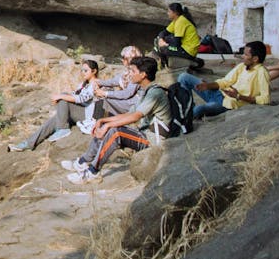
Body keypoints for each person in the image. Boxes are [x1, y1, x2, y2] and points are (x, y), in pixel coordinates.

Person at [61, 56, 166, 184]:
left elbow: (135, 117)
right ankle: (83, 162)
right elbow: (130, 113)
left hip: (153, 140)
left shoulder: (154, 93)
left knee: (116, 132)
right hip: (144, 134)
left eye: (133, 71)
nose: (130, 75)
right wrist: (103, 122)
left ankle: (93, 172)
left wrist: (108, 125)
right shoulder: (146, 91)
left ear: (143, 74)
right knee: (107, 127)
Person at [9, 60, 104, 151]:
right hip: (79, 112)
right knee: (53, 120)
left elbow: (81, 99)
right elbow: (74, 95)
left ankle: (63, 129)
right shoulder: (83, 84)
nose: (83, 72)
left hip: (87, 116)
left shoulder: (96, 83)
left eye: (86, 70)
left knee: (63, 98)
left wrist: (60, 97)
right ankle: (29, 143)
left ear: (94, 71)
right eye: (82, 70)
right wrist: (60, 97)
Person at [176, 41, 271, 119]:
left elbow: (265, 99)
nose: (242, 56)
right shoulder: (242, 66)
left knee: (198, 110)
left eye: (246, 54)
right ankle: (187, 108)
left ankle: (188, 114)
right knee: (183, 77)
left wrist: (239, 96)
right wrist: (208, 86)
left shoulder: (262, 72)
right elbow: (225, 82)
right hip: (218, 93)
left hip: (226, 104)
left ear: (255, 59)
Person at [94, 46, 144, 116]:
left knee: (104, 100)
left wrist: (105, 93)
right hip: (129, 101)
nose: (122, 60)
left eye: (124, 58)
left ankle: (96, 123)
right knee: (106, 96)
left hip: (136, 104)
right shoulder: (128, 72)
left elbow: (127, 93)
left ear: (130, 59)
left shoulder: (137, 72)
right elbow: (114, 81)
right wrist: (99, 82)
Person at [152, 3, 204, 70]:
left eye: (169, 11)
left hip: (188, 51)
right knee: (158, 40)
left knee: (163, 49)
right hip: (183, 47)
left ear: (175, 13)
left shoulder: (181, 21)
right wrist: (161, 39)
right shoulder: (176, 20)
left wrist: (165, 44)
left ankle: (164, 65)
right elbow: (163, 32)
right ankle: (164, 63)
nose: (167, 13)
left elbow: (176, 43)